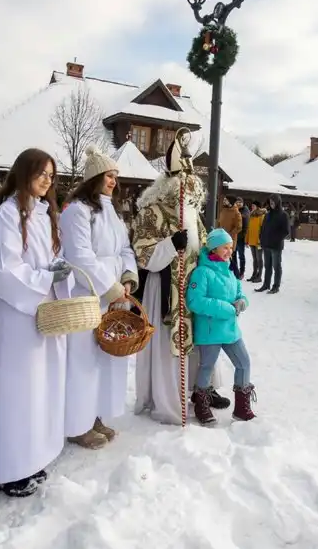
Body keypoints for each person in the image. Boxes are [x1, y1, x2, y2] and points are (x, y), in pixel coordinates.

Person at [0, 148, 72, 498]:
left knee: (39, 391)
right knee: (16, 393)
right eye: (41, 173)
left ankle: (29, 459)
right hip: (17, 317)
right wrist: (47, 277)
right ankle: (6, 469)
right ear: (23, 173)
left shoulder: (44, 214)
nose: (47, 180)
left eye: (51, 175)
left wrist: (60, 270)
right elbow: (4, 271)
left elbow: (49, 258)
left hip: (43, 316)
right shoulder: (7, 216)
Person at [132, 135, 229, 425]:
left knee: (201, 337)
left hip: (194, 287)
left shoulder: (193, 214)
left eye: (190, 180)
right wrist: (170, 244)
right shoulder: (152, 212)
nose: (188, 186)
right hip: (165, 288)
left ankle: (202, 389)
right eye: (182, 180)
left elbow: (203, 245)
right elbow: (142, 254)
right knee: (169, 345)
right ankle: (168, 397)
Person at [59, 147, 136, 448]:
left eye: (115, 176)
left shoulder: (112, 211)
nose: (114, 181)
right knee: (83, 361)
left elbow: (125, 249)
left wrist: (128, 276)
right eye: (109, 176)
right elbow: (80, 257)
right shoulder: (77, 210)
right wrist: (111, 287)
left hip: (115, 295)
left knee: (106, 358)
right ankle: (76, 423)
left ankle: (95, 415)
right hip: (87, 295)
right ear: (94, 178)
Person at [187, 228, 255, 425]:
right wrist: (226, 308)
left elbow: (240, 292)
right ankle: (201, 404)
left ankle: (242, 407)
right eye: (225, 247)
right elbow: (195, 301)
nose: (229, 251)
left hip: (231, 330)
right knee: (207, 366)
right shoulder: (202, 272)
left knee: (244, 363)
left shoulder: (228, 270)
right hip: (210, 331)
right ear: (214, 248)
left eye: (231, 247)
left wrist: (242, 301)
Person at [256, 195, 290, 294]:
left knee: (276, 266)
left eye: (273, 202)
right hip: (266, 245)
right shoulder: (268, 214)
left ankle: (276, 286)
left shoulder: (283, 215)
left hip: (276, 246)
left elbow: (286, 231)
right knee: (268, 266)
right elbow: (263, 229)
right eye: (270, 203)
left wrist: (275, 240)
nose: (271, 204)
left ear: (278, 202)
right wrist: (262, 239)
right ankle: (266, 284)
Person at [217, 195, 243, 278]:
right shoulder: (223, 210)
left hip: (230, 240)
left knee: (232, 258)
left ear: (230, 201)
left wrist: (229, 234)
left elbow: (239, 227)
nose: (224, 201)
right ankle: (225, 274)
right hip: (221, 239)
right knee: (222, 257)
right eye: (224, 200)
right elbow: (219, 222)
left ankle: (236, 276)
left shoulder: (236, 212)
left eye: (226, 200)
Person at [244, 200, 265, 283]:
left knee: (259, 259)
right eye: (252, 205)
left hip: (259, 241)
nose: (252, 207)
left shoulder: (261, 216)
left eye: (254, 205)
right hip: (252, 240)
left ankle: (259, 276)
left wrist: (261, 239)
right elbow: (249, 229)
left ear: (258, 206)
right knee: (255, 259)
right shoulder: (251, 215)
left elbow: (263, 229)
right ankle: (254, 275)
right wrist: (246, 240)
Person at [235, 197, 249, 280]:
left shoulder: (245, 211)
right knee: (233, 255)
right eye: (237, 202)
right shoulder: (235, 210)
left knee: (241, 255)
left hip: (241, 237)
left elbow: (245, 225)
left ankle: (242, 272)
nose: (239, 203)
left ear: (243, 203)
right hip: (234, 236)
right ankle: (235, 270)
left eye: (240, 202)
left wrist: (243, 235)